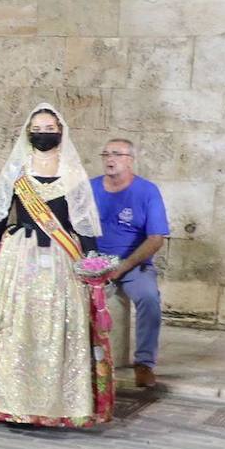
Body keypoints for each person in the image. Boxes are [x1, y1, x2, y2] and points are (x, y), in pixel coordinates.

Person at [0, 104, 111, 428]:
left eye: (51, 128)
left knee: (57, 325)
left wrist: (93, 269)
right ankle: (8, 399)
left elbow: (85, 227)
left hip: (63, 259)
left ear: (61, 132)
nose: (44, 133)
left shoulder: (73, 172)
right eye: (39, 128)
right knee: (15, 323)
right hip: (18, 257)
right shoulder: (16, 170)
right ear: (28, 132)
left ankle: (55, 403)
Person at [91, 138, 169, 388]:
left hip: (133, 264)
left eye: (116, 154)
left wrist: (122, 267)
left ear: (130, 160)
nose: (110, 159)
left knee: (148, 298)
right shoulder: (89, 188)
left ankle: (144, 363)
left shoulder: (147, 191)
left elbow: (156, 238)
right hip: (95, 261)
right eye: (106, 154)